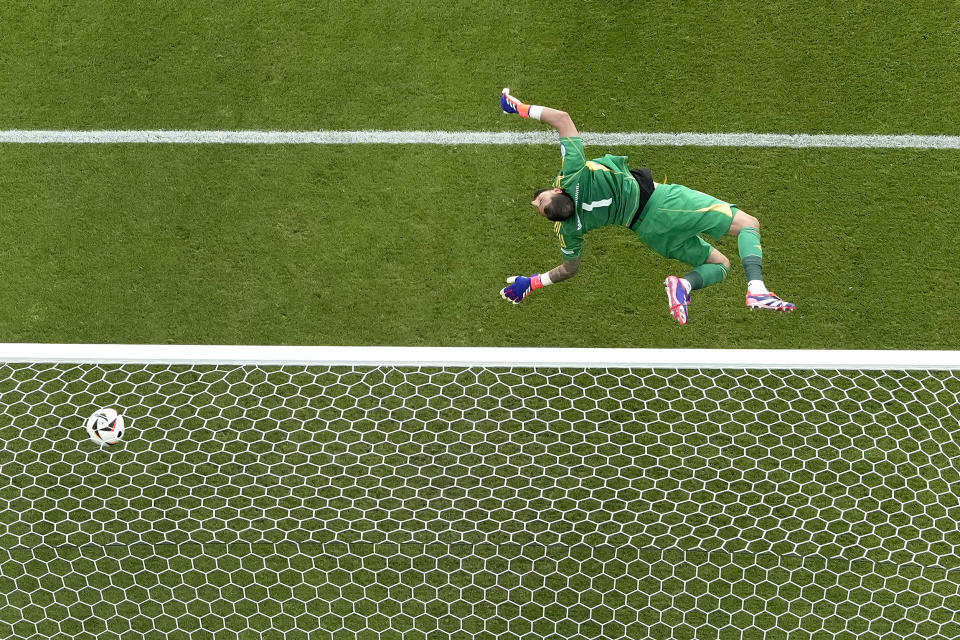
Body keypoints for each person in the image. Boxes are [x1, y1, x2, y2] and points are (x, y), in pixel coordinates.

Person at [497, 88, 796, 325]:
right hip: (663, 204)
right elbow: (562, 118)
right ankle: (757, 289)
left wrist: (534, 283)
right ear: (557, 188)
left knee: (720, 265)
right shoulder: (574, 173)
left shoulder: (570, 231)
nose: (537, 202)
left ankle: (684, 286)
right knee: (747, 224)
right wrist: (519, 108)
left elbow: (570, 267)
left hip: (649, 233)